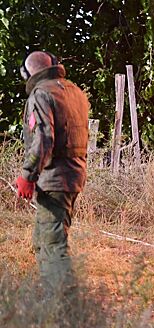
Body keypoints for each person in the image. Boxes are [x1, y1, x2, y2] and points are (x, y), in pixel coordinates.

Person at [15, 51, 90, 296]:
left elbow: (43, 139)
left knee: (53, 244)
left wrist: (28, 175)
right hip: (74, 174)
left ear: (28, 74)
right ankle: (54, 298)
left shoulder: (41, 94)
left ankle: (64, 305)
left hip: (54, 178)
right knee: (45, 239)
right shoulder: (74, 91)